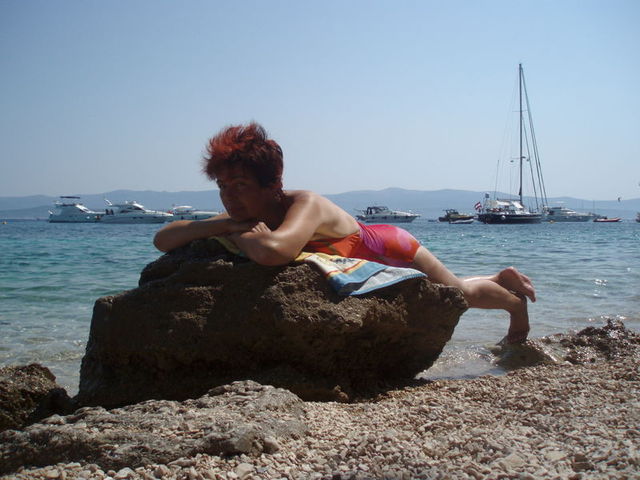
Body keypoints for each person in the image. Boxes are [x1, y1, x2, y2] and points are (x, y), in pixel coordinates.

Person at [154, 123, 535, 343]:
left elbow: (275, 252)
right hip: (364, 246)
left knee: (459, 295)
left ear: (273, 184)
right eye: (222, 185)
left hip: (387, 245)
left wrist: (245, 234)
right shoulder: (242, 213)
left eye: (240, 184)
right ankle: (498, 277)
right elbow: (164, 239)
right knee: (456, 288)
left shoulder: (306, 202)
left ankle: (515, 307)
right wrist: (222, 224)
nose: (229, 195)